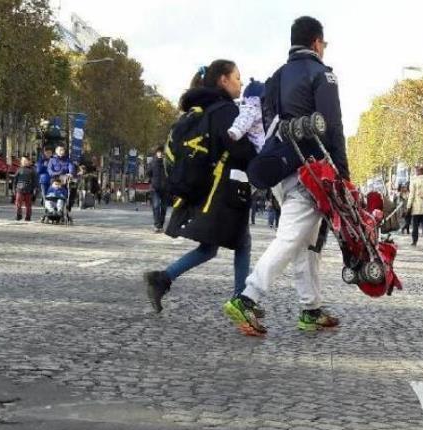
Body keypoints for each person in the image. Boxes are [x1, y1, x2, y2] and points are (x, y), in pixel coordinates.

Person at [224, 16, 347, 335]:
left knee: (305, 242)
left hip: (279, 166)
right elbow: (332, 128)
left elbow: (267, 123)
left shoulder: (276, 76)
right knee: (291, 238)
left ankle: (312, 308)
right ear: (317, 43)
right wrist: (342, 175)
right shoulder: (323, 75)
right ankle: (247, 298)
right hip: (311, 171)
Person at [143, 61, 258, 314]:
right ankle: (241, 300)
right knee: (241, 243)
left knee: (211, 247)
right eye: (237, 78)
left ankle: (162, 278)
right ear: (223, 80)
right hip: (224, 190)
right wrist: (259, 151)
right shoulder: (225, 111)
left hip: (208, 188)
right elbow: (238, 148)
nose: (241, 83)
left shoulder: (200, 109)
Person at [228, 78, 266, 153]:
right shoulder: (251, 109)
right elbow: (243, 120)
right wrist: (235, 132)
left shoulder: (258, 109)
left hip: (261, 142)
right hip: (258, 147)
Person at [407, 166, 423, 246]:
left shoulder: (414, 181)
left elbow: (411, 195)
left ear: (418, 172)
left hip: (416, 205)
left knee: (415, 224)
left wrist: (408, 206)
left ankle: (414, 241)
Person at [146, 147, 169, 233]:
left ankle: (161, 225)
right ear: (156, 153)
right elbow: (148, 173)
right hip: (155, 188)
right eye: (158, 152)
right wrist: (152, 180)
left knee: (163, 207)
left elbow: (171, 173)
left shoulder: (167, 163)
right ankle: (157, 225)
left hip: (165, 188)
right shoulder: (152, 163)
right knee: (156, 206)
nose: (160, 154)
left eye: (161, 152)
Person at [12, 157, 36, 221]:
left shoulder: (32, 170)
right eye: (23, 161)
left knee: (28, 205)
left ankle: (28, 216)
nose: (24, 162)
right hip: (19, 189)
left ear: (29, 162)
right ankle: (18, 215)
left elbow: (35, 181)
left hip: (29, 190)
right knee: (18, 203)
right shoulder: (19, 170)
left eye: (26, 161)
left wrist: (34, 190)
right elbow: (15, 180)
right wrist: (14, 189)